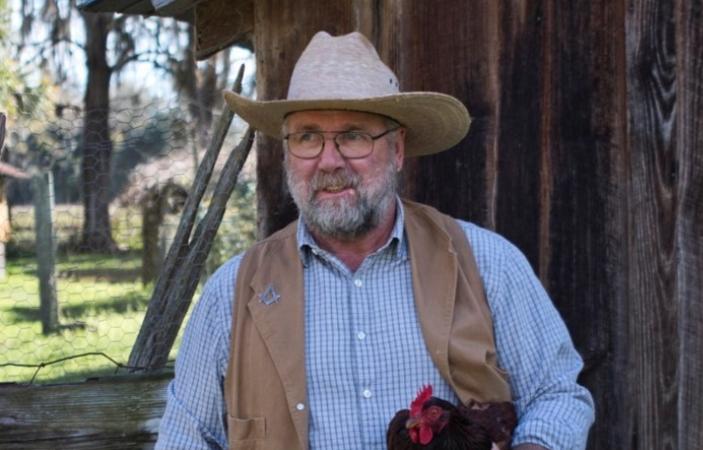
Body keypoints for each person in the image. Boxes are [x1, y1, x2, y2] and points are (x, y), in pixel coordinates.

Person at [156, 31, 594, 450]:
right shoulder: (231, 297)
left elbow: (556, 395)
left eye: (353, 135)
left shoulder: (488, 264)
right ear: (287, 151)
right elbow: (185, 438)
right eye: (307, 137)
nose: (329, 161)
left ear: (398, 149)